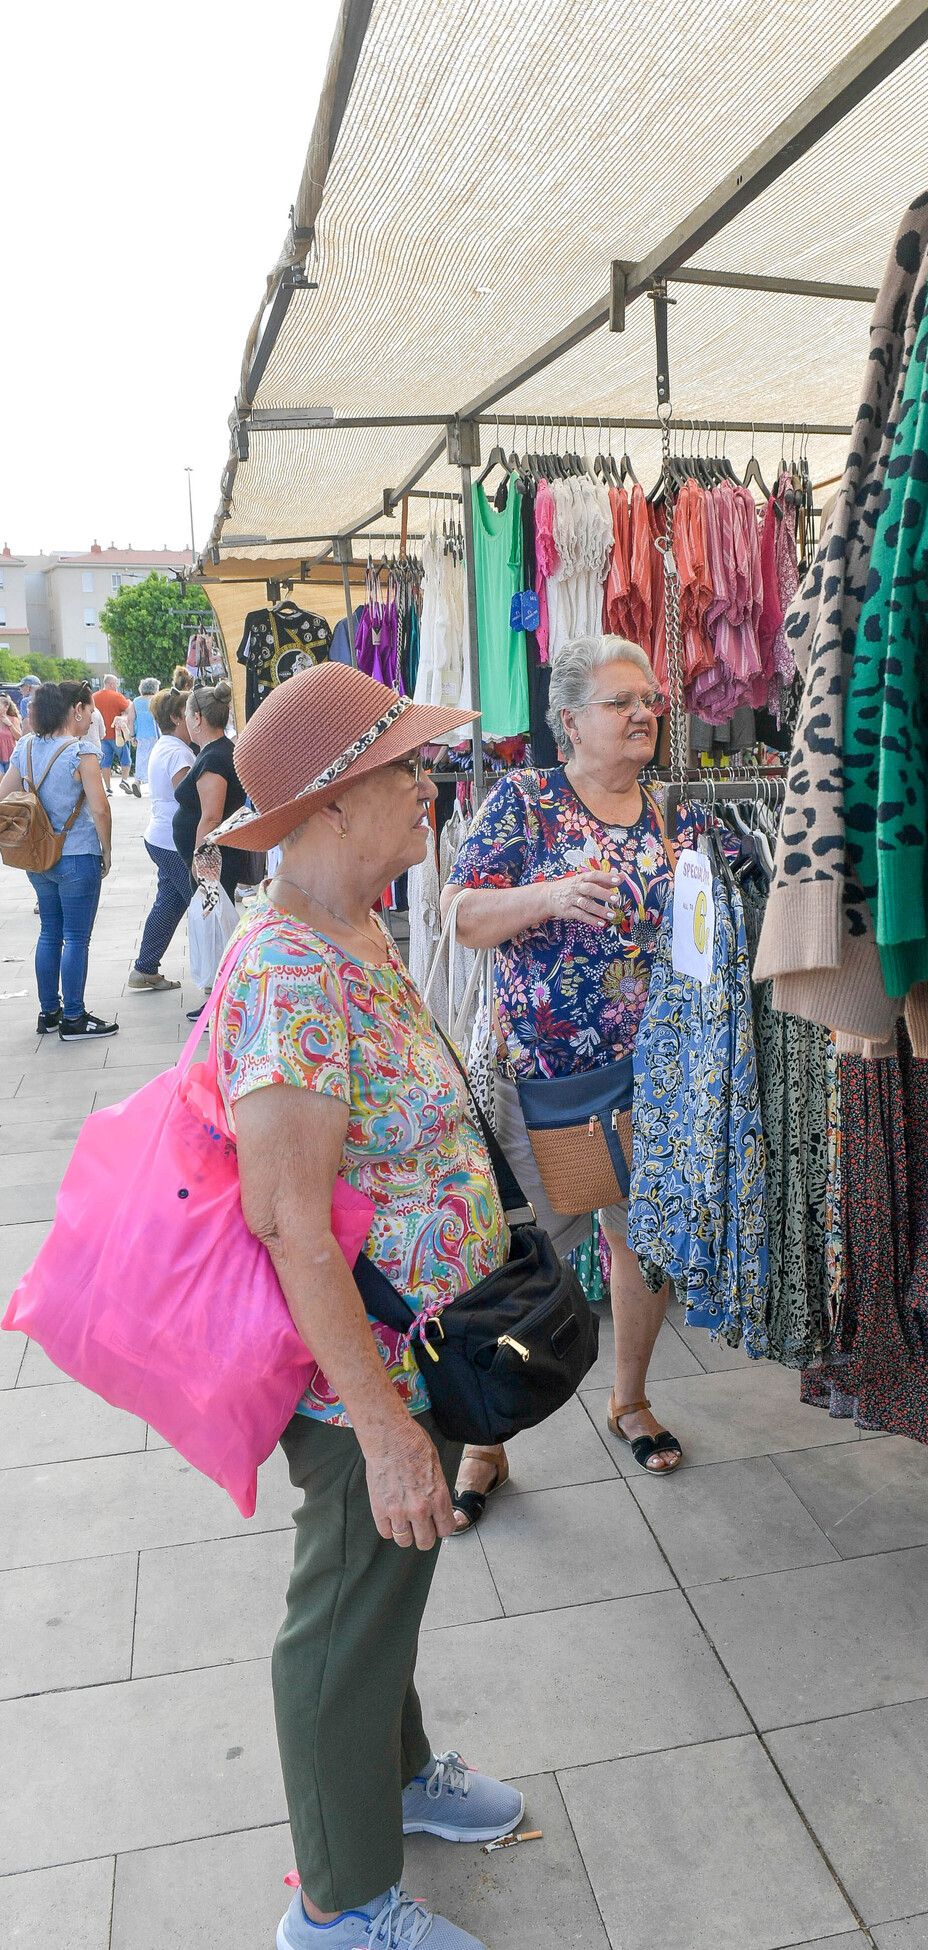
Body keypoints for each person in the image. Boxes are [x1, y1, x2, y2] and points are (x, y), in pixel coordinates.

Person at [206, 661, 513, 1950]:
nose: (430, 790)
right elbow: (287, 1221)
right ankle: (335, 1906)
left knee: (390, 1582)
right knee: (339, 1618)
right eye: (407, 771)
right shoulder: (286, 973)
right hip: (357, 1380)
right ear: (332, 803)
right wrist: (384, 1430)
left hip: (415, 1346)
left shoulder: (358, 927)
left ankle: (393, 1781)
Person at [444, 632, 684, 1530]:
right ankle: (485, 1441)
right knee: (512, 1259)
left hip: (652, 1080)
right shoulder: (527, 802)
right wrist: (544, 899)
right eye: (622, 702)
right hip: (546, 1084)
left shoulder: (672, 815)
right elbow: (460, 912)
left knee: (642, 1243)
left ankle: (630, 1402)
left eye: (650, 700)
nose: (642, 714)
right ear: (570, 720)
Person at [0, 680, 117, 1039]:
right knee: (76, 938)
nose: (90, 716)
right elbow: (100, 808)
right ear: (75, 710)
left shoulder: (25, 746)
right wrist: (108, 850)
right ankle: (75, 1019)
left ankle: (49, 1012)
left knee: (49, 933)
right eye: (88, 709)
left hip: (39, 857)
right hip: (78, 855)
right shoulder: (82, 753)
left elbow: (5, 795)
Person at [128, 689, 193, 993]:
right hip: (172, 839)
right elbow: (190, 798)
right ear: (176, 717)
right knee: (204, 906)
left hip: (161, 836)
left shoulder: (166, 745)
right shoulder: (179, 752)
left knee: (170, 901)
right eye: (189, 712)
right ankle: (218, 978)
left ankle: (145, 968)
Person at [174, 681, 246, 898]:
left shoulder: (214, 757)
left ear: (197, 718)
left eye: (187, 715)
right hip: (218, 858)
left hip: (215, 861)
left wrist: (201, 864)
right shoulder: (215, 751)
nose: (185, 720)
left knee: (213, 926)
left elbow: (212, 817)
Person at [92, 674, 129, 795]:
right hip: (117, 734)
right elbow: (128, 710)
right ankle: (124, 780)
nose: (117, 687)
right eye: (116, 684)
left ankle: (108, 788)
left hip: (101, 735)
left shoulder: (94, 697)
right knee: (125, 758)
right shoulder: (117, 696)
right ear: (112, 684)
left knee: (105, 762)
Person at [131, 676, 160, 792]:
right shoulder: (156, 700)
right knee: (155, 758)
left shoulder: (136, 701)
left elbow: (130, 719)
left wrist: (132, 735)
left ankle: (137, 781)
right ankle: (155, 783)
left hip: (141, 734)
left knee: (141, 757)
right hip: (156, 734)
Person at [0, 694, 20, 766]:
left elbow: (19, 738)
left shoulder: (13, 719)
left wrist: (10, 725)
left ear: (6, 707)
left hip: (10, 757)